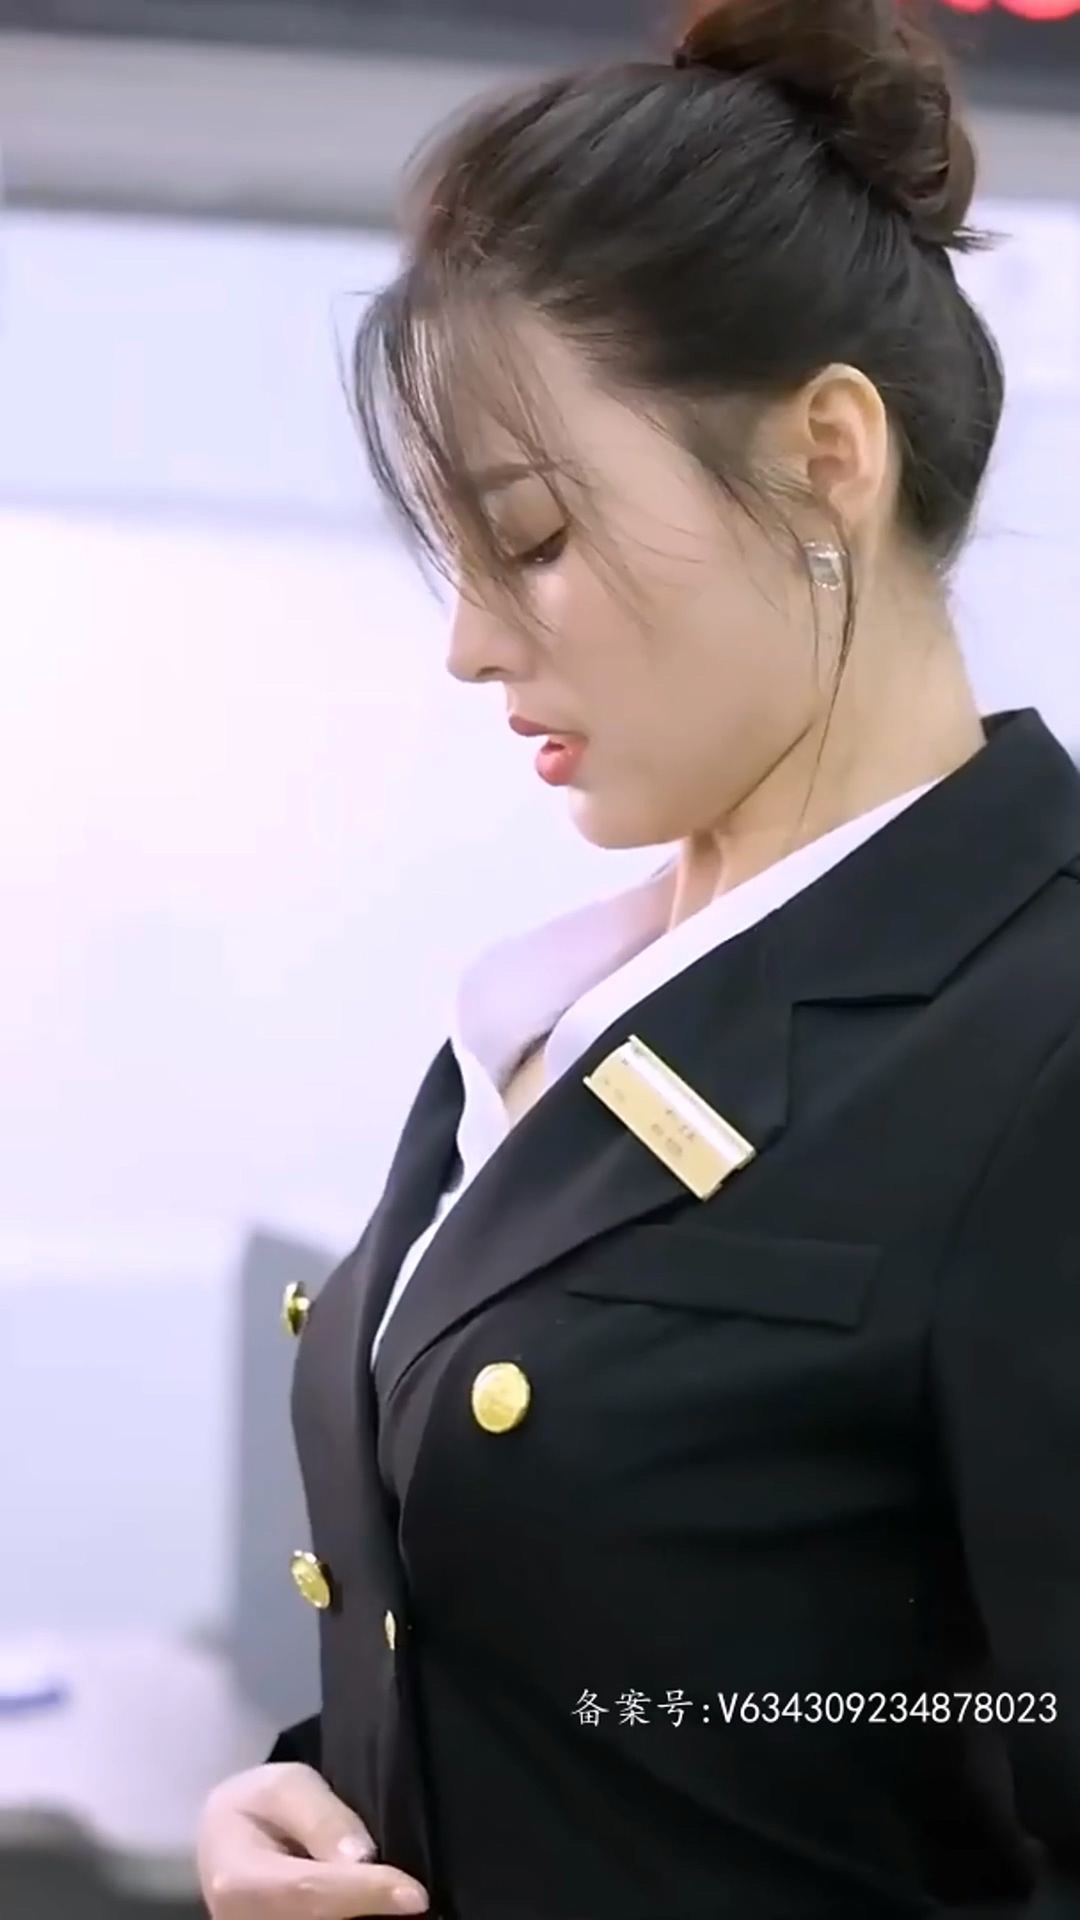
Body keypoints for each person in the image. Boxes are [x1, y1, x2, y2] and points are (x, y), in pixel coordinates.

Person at [197, 0, 1080, 1914]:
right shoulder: (565, 1002)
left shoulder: (1045, 1034)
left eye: (529, 539)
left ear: (828, 456)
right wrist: (316, 1790)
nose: (470, 644)